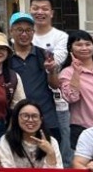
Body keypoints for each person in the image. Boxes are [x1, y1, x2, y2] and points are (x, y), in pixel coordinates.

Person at [29, 0, 71, 166]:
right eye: (35, 8)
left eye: (45, 9)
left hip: (55, 102)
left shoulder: (61, 37)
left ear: (52, 13)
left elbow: (56, 61)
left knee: (60, 145)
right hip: (29, 99)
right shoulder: (24, 35)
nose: (40, 12)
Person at [8, 12, 61, 146]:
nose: (24, 34)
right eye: (19, 30)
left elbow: (55, 85)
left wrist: (52, 71)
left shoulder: (44, 54)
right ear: (11, 31)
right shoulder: (6, 56)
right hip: (16, 118)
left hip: (45, 116)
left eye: (28, 30)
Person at [0, 100, 61, 169]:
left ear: (41, 120)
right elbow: (7, 170)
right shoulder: (6, 140)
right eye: (25, 116)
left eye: (35, 116)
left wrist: (50, 153)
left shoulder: (51, 142)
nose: (30, 120)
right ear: (16, 118)